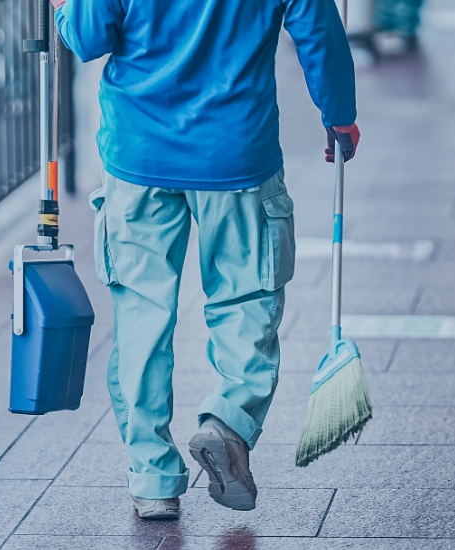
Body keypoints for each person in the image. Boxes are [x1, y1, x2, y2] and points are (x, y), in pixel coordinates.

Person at [52, 0, 360, 519]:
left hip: (139, 155)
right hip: (237, 153)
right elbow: (318, 30)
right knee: (246, 301)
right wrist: (340, 114)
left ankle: (152, 478)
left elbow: (86, 37)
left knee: (141, 319)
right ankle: (229, 425)